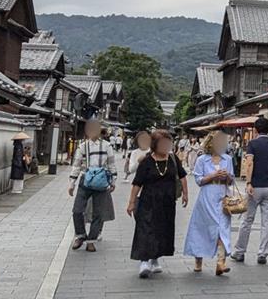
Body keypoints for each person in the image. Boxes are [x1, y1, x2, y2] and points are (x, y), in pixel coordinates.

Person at [127, 130, 188, 278]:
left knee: (162, 229)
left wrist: (185, 194)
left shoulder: (173, 159)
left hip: (167, 202)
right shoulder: (147, 161)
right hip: (148, 201)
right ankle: (144, 261)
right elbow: (137, 183)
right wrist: (131, 202)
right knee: (146, 228)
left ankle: (155, 259)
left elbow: (182, 176)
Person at [232, 116, 268, 265]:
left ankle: (239, 252)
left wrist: (248, 182)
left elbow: (249, 163)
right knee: (267, 222)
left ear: (256, 130)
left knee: (247, 220)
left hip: (256, 186)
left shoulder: (253, 144)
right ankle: (262, 253)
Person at [185, 131, 235, 275]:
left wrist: (227, 177)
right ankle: (198, 260)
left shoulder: (228, 159)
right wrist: (213, 175)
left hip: (223, 196)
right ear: (210, 144)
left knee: (222, 228)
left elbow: (231, 181)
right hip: (207, 197)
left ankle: (221, 262)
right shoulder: (202, 160)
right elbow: (199, 180)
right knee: (202, 229)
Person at [68, 119, 118, 252]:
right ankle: (81, 235)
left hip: (101, 180)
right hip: (86, 179)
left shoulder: (107, 146)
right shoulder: (83, 146)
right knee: (77, 210)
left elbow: (112, 163)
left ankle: (91, 240)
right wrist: (72, 183)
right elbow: (77, 164)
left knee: (98, 213)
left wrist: (113, 180)